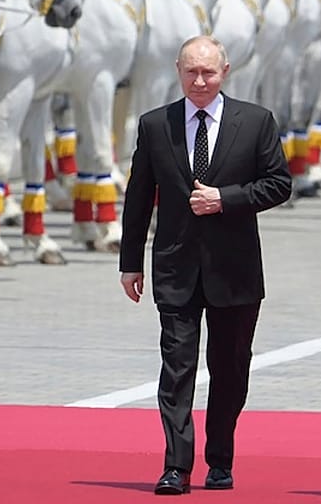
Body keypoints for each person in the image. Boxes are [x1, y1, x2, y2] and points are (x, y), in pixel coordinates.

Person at [119, 35, 292, 496]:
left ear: (225, 71)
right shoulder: (156, 125)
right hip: (176, 267)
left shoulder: (255, 122)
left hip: (235, 270)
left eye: (208, 72)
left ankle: (220, 457)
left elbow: (278, 184)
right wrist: (130, 261)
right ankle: (176, 466)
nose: (199, 81)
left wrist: (227, 199)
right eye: (191, 71)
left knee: (231, 368)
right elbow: (138, 198)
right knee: (176, 368)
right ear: (178, 70)